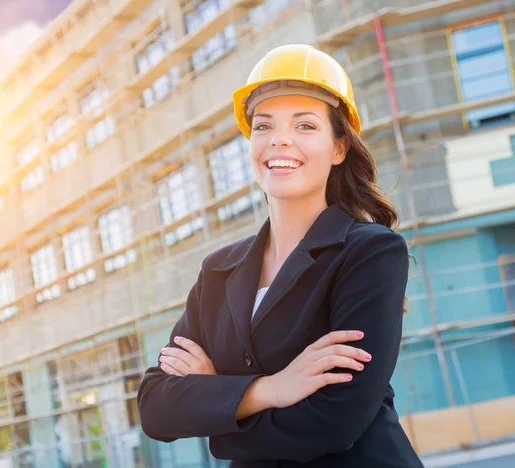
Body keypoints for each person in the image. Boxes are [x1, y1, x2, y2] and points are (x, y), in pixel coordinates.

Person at [137, 44, 424, 467]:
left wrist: (219, 406)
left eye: (305, 125)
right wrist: (269, 389)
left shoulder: (370, 252)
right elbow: (155, 407)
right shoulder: (218, 271)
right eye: (263, 125)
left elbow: (335, 422)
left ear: (339, 147)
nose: (280, 139)